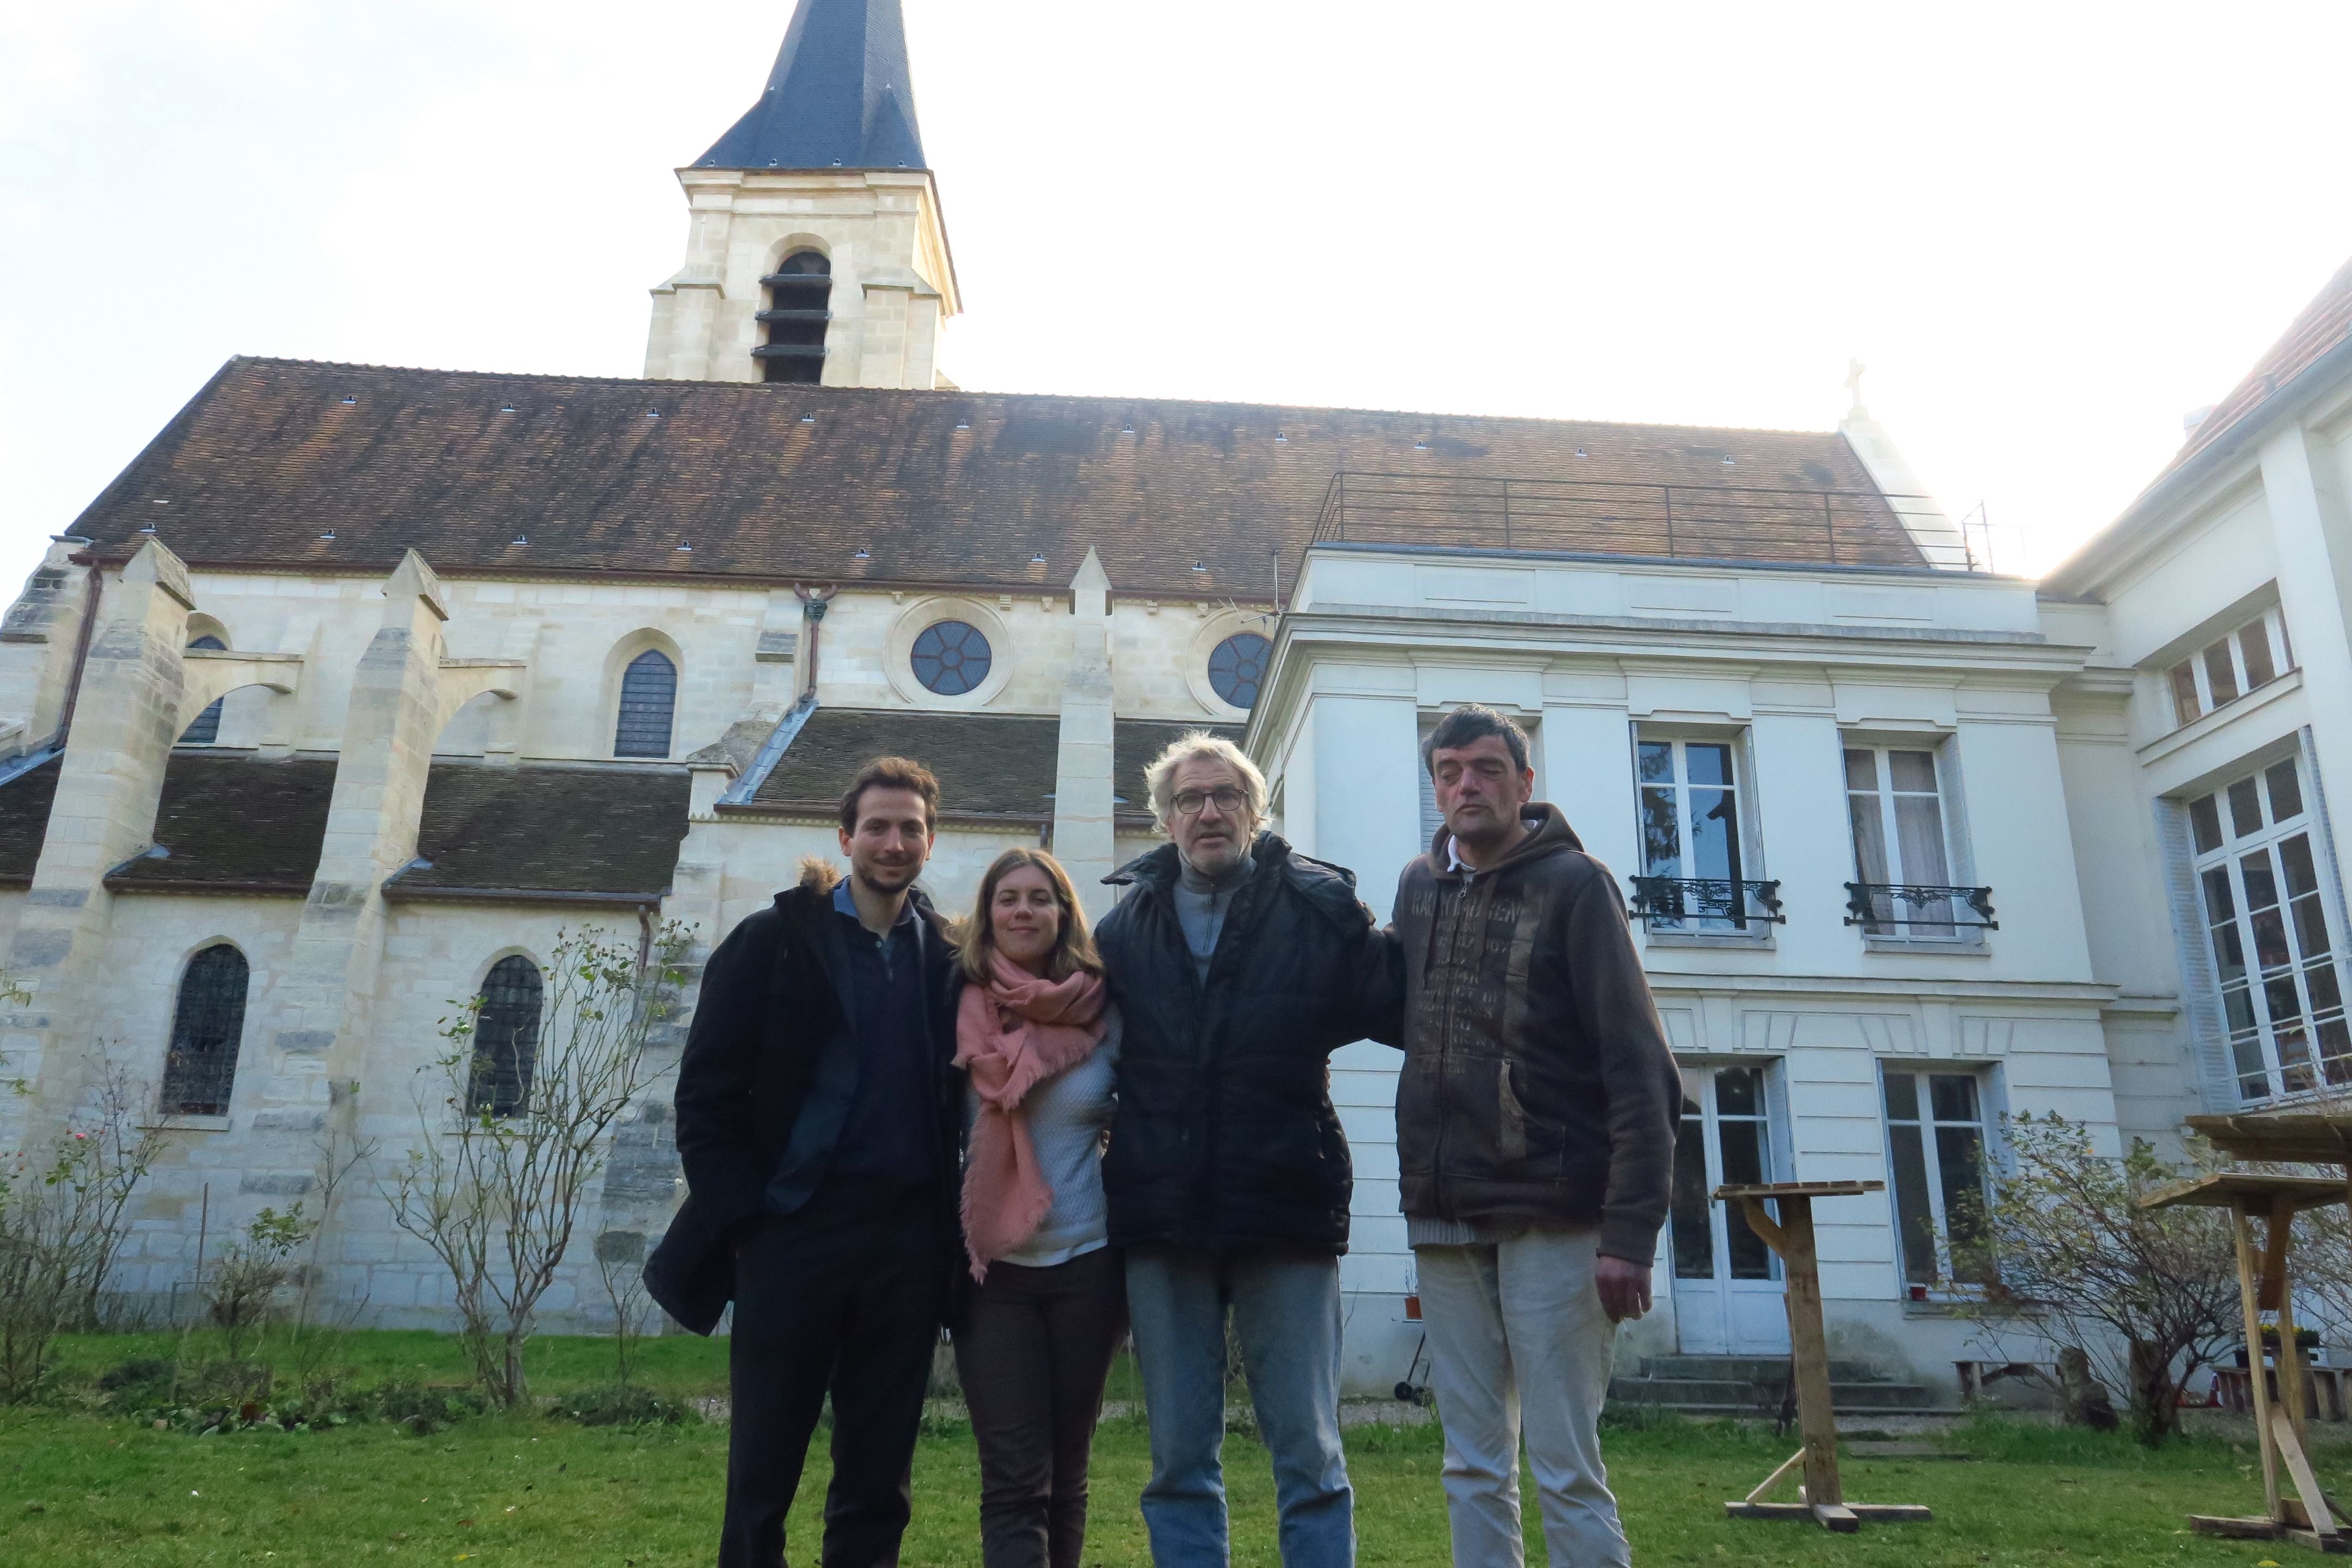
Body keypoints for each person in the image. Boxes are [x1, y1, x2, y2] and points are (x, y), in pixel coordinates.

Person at [645, 757, 963, 1568]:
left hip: (907, 1245)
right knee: (763, 1470)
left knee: (878, 1473)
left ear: (932, 841)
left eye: (910, 829)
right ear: (846, 836)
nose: (894, 843)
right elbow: (706, 1098)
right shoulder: (772, 942)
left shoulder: (951, 960)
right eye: (878, 827)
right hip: (793, 1234)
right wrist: (747, 1221)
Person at [1094, 731, 1400, 1568]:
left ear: (1256, 811)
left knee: (1309, 1452)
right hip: (1162, 1215)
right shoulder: (1120, 933)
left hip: (1285, 1206)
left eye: (1227, 795)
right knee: (1179, 1460)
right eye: (1189, 800)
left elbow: (1412, 1012)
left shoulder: (1318, 910)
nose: (1208, 812)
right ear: (1163, 821)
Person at [1388, 705, 1681, 1568]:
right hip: (1444, 1212)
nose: (1465, 785)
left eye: (1484, 768)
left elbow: (1641, 1072)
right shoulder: (1419, 887)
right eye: (1448, 771)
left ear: (1524, 782)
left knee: (1565, 1465)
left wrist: (1630, 1234)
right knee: (1472, 1462)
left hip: (1557, 1217)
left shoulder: (1577, 885)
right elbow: (1383, 1003)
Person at [950, 847, 1128, 1568]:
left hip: (1089, 1264)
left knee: (1067, 1471)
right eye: (1009, 898)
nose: (1024, 911)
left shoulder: (1104, 1010)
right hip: (994, 1272)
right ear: (987, 914)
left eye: (1041, 898)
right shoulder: (957, 1005)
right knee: (1015, 1478)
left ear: (1063, 915)